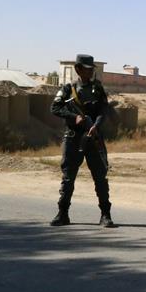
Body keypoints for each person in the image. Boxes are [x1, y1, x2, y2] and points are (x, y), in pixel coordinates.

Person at [49, 54, 115, 228]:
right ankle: (63, 213)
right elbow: (55, 108)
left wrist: (97, 126)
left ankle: (105, 215)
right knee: (68, 178)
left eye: (92, 68)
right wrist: (73, 117)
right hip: (73, 138)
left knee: (100, 178)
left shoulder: (98, 88)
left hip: (93, 138)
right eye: (87, 68)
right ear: (78, 69)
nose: (91, 71)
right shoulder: (67, 89)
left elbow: (103, 110)